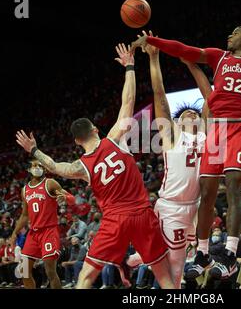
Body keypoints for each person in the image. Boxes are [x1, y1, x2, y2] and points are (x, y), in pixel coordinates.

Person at [132, 26, 241, 279]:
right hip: (217, 130)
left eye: (235, 33)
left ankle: (230, 254)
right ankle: (202, 254)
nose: (229, 36)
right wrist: (152, 40)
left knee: (234, 187)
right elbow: (185, 50)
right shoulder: (218, 56)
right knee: (207, 191)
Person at [16, 43, 174, 289]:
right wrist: (130, 66)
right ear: (96, 129)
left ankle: (122, 265)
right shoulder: (114, 138)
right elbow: (129, 99)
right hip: (143, 214)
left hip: (114, 221)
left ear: (77, 141)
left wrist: (34, 150)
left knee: (86, 278)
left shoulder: (82, 166)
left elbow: (55, 166)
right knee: (165, 277)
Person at [134, 31, 210, 288]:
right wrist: (154, 59)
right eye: (186, 112)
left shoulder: (208, 135)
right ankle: (147, 256)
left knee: (182, 260)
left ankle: (145, 252)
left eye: (195, 112)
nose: (192, 114)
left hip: (196, 206)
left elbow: (211, 98)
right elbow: (159, 95)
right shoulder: (172, 136)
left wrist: (193, 66)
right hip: (174, 206)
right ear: (176, 122)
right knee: (175, 269)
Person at [11, 159, 75, 289]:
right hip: (33, 233)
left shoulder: (50, 183)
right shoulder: (25, 190)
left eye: (40, 165)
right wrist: (14, 233)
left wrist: (65, 198)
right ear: (29, 169)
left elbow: (72, 199)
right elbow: (24, 215)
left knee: (50, 271)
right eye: (34, 165)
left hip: (49, 231)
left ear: (45, 169)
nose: (37, 167)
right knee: (24, 271)